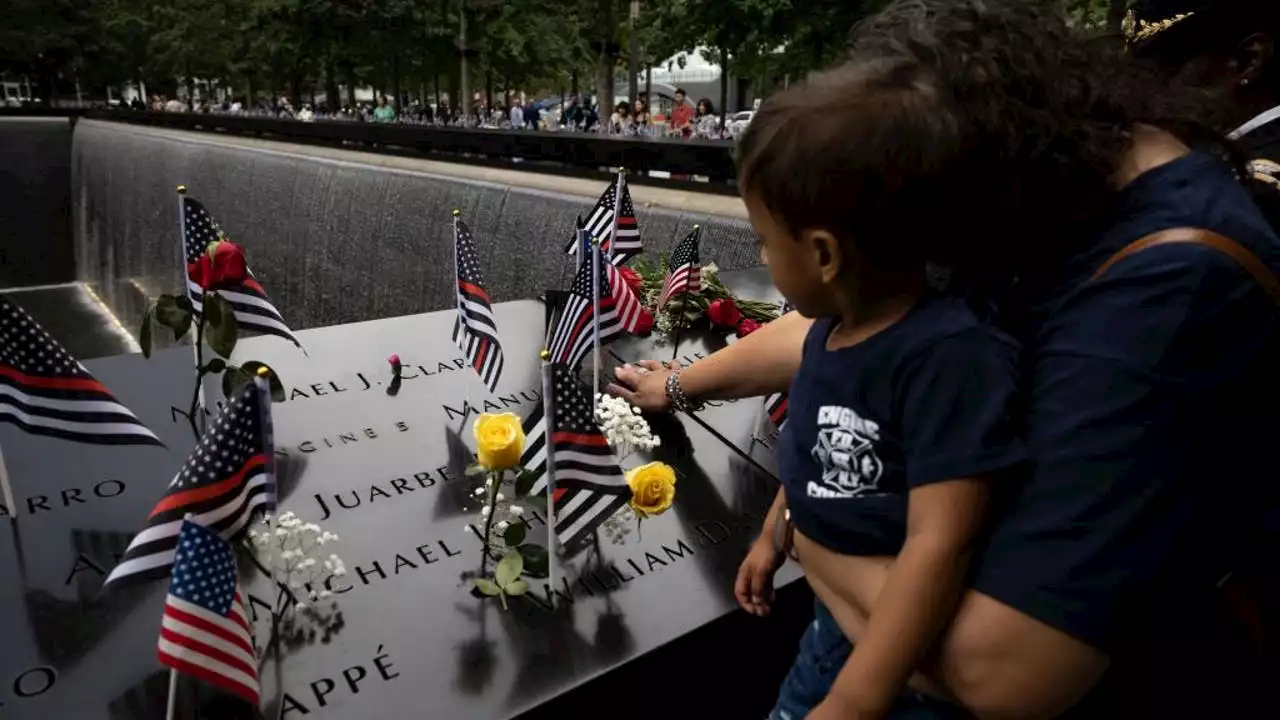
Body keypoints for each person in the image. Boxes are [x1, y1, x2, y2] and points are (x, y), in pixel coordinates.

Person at [610, 0, 1279, 717]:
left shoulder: (1169, 286)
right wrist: (676, 384)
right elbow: (851, 327)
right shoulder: (1036, 176)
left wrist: (811, 527)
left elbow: (1006, 673)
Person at [1129, 0, 1280, 230]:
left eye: (1165, 69)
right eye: (1137, 75)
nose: (1142, 91)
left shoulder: (1255, 190)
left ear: (1248, 61)